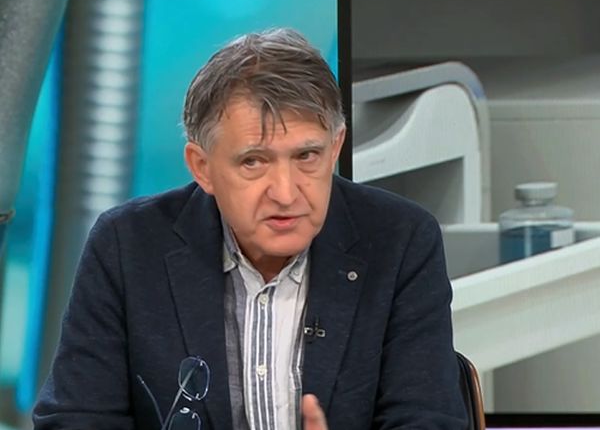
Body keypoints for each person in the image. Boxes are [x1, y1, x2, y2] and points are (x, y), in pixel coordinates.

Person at [33, 28, 467, 429]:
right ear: (202, 168)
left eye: (307, 157)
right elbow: (76, 420)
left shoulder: (401, 241)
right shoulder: (127, 247)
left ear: (335, 147)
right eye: (254, 162)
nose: (285, 193)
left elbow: (428, 421)